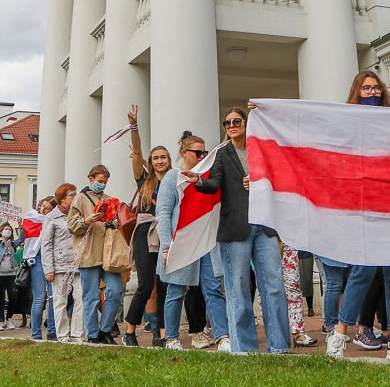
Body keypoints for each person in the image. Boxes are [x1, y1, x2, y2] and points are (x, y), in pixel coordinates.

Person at [323, 72, 390, 363]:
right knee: (363, 270)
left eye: (376, 88)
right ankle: (339, 334)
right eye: (366, 88)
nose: (372, 92)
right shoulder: (348, 121)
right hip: (364, 204)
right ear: (357, 91)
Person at [184, 107, 291, 354]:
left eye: (236, 121)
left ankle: (280, 347)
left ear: (246, 123)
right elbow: (214, 184)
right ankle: (244, 348)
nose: (231, 125)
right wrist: (198, 181)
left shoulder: (262, 149)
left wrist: (259, 180)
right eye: (227, 122)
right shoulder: (222, 153)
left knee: (273, 286)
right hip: (234, 229)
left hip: (264, 226)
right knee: (238, 288)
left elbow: (278, 176)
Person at [157, 132, 222, 350]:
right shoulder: (172, 177)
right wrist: (167, 245)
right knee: (175, 290)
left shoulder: (207, 176)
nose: (202, 156)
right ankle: (172, 338)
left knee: (212, 288)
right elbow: (163, 213)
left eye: (204, 152)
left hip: (205, 243)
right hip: (181, 242)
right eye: (197, 152)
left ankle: (222, 335)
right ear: (184, 152)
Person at [121, 105, 171, 347]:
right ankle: (129, 332)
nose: (160, 161)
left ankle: (160, 334)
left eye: (163, 157)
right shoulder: (145, 180)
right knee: (144, 285)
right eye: (156, 158)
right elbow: (138, 151)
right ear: (151, 162)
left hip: (166, 234)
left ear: (169, 161)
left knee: (162, 285)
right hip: (144, 234)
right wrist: (134, 126)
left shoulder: (174, 181)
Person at [67, 163, 126, 345]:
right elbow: (71, 226)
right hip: (89, 254)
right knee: (91, 297)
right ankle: (92, 334)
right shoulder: (80, 199)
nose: (102, 184)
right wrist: (87, 220)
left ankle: (105, 329)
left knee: (116, 291)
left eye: (105, 182)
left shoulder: (109, 199)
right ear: (91, 179)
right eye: (100, 181)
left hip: (109, 255)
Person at [41, 182, 84, 343]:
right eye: (72, 195)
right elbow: (46, 244)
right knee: (60, 301)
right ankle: (62, 335)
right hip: (59, 265)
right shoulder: (51, 217)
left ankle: (78, 333)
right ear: (62, 198)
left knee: (81, 299)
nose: (75, 197)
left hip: (78, 263)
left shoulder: (77, 214)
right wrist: (48, 268)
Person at [22, 196, 58, 341]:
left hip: (52, 259)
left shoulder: (54, 220)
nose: (42, 210)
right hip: (36, 258)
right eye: (42, 206)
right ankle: (36, 334)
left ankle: (52, 332)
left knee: (54, 297)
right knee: (39, 298)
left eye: (47, 208)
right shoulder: (31, 217)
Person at [0, 222, 20, 331]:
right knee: (0, 298)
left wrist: (20, 226)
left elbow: (21, 238)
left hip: (11, 274)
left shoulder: (12, 244)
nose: (8, 231)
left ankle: (9, 318)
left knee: (13, 296)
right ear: (1, 232)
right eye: (6, 229)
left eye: (10, 229)